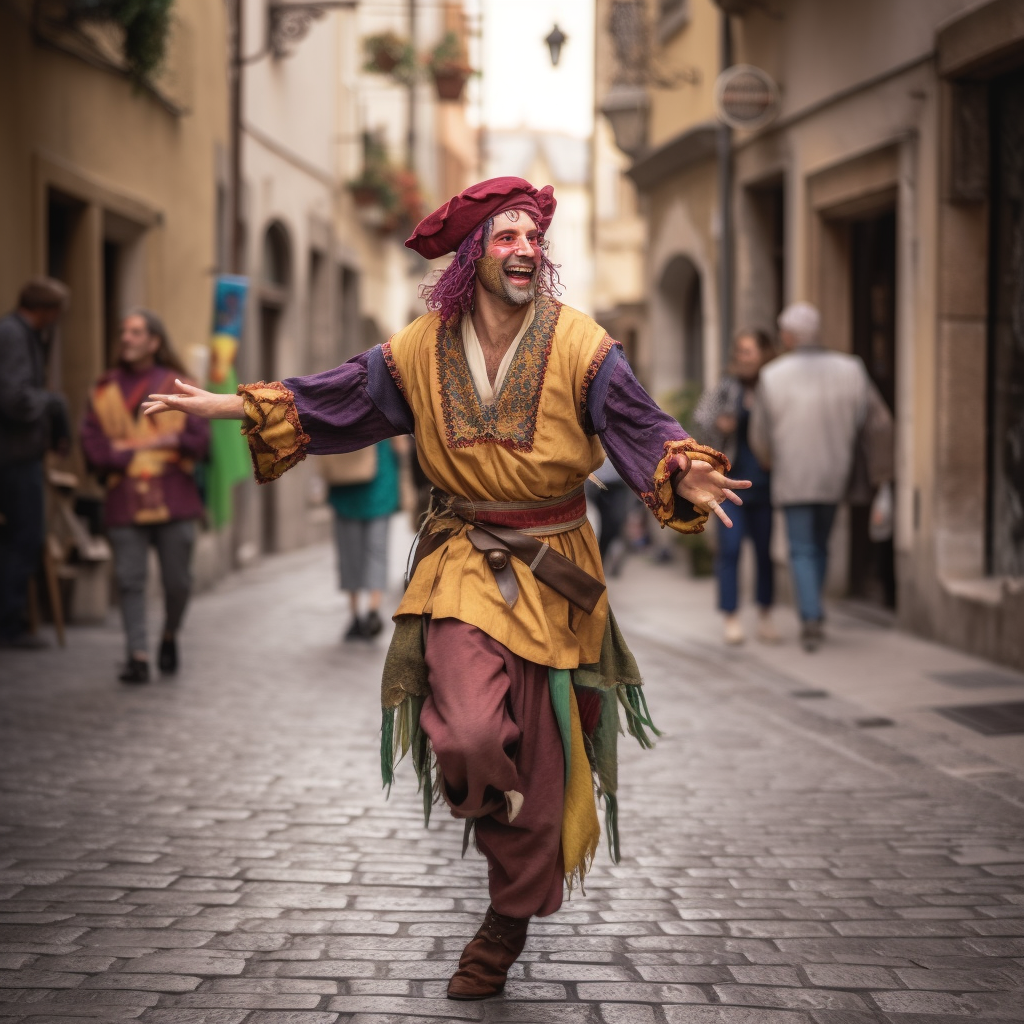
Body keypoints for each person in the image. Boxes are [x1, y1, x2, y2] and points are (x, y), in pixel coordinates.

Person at [143, 177, 750, 1000]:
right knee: (467, 734)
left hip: (557, 567)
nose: (526, 249)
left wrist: (685, 470)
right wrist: (229, 405)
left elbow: (638, 423)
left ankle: (507, 917)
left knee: (542, 767)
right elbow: (338, 398)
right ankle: (495, 832)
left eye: (533, 237)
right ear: (473, 256)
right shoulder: (419, 350)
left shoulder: (583, 345)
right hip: (463, 555)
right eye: (506, 237)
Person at [749, 301, 890, 652]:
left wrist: (768, 460)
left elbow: (759, 435)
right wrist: (880, 472)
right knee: (822, 544)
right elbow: (880, 423)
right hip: (835, 473)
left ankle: (810, 616)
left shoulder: (772, 375)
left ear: (789, 335)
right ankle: (815, 609)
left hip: (793, 475)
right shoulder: (852, 369)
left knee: (801, 549)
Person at [80, 310, 209, 683]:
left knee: (178, 582)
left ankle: (170, 633)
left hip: (175, 498)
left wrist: (151, 443)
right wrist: (148, 447)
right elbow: (93, 448)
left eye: (135, 332)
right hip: (124, 497)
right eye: (123, 332)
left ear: (154, 341)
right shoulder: (104, 388)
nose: (126, 338)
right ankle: (137, 654)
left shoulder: (180, 386)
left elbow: (198, 441)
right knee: (129, 580)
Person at [694, 328, 777, 645]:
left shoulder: (773, 387)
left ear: (763, 354)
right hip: (729, 486)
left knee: (764, 552)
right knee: (729, 550)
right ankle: (731, 617)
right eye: (739, 351)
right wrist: (718, 426)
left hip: (766, 485)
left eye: (748, 351)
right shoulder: (726, 387)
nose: (742, 358)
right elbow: (700, 419)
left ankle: (765, 613)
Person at [0, 278, 71, 648]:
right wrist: (52, 404)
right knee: (26, 537)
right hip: (13, 455)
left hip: (17, 453)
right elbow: (15, 398)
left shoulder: (20, 333)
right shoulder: (13, 334)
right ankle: (9, 624)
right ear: (46, 310)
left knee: (22, 537)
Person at [327, 438, 402, 640]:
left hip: (344, 479)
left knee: (349, 551)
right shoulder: (388, 405)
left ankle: (355, 615)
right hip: (380, 478)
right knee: (377, 549)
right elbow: (400, 445)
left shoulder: (336, 405)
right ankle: (373, 610)